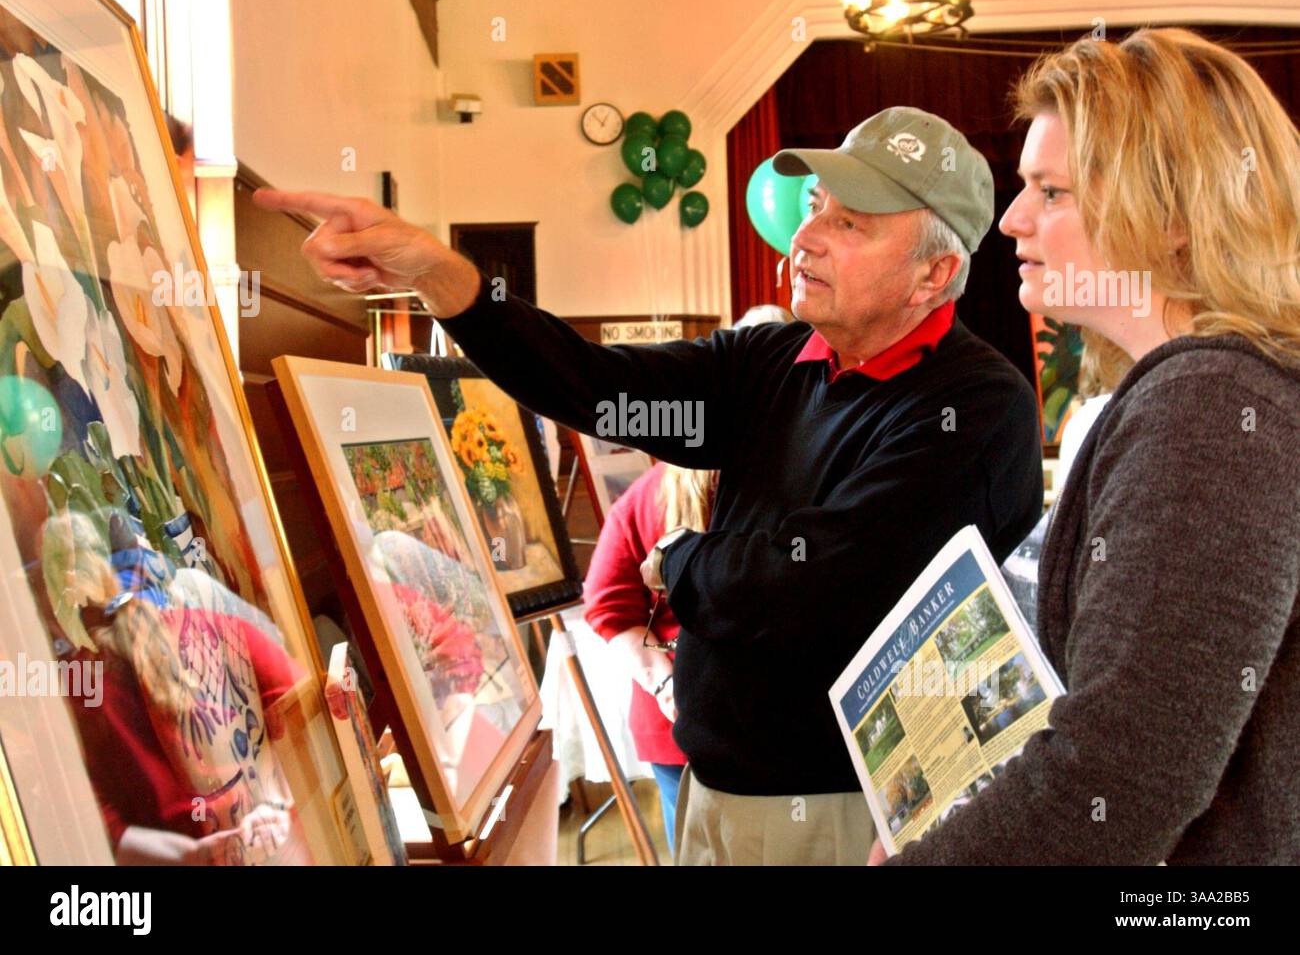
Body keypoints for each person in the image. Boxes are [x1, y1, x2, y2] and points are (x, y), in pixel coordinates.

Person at [255, 105, 1044, 865]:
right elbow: (593, 384)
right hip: (713, 790)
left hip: (838, 809)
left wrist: (679, 561)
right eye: (814, 206)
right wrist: (440, 273)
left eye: (849, 224)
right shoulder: (771, 359)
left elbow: (808, 591)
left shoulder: (973, 405)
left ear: (933, 273)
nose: (804, 239)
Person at [876, 27, 1300, 865]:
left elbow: (1119, 778)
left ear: (1173, 216)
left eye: (1052, 191)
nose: (1011, 218)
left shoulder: (1211, 405)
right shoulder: (1185, 392)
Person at [584, 305, 794, 857]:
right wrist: (667, 686)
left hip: (729, 725)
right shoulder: (657, 493)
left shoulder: (653, 488)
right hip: (713, 726)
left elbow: (607, 607)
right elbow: (607, 605)